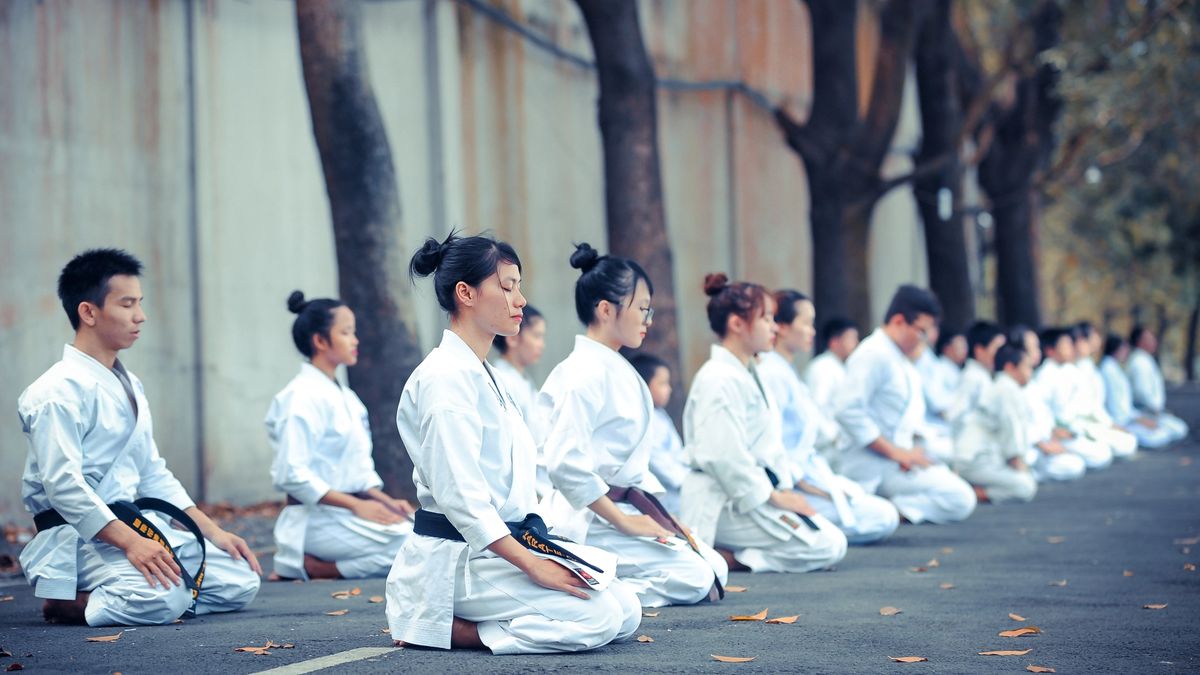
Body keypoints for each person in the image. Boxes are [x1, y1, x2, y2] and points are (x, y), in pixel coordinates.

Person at [386, 233, 641, 654]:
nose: (520, 300)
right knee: (599, 618)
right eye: (507, 287)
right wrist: (532, 565)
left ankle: (483, 616)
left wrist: (542, 551)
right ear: (465, 293)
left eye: (518, 287)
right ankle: (448, 627)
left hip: (503, 548)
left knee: (626, 609)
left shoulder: (483, 373)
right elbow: (463, 500)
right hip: (461, 558)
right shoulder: (445, 380)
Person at [18, 249, 261, 626]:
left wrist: (211, 532)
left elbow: (152, 472)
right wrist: (130, 542)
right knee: (166, 597)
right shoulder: (55, 391)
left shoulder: (129, 383)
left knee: (240, 581)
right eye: (127, 304)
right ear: (88, 312)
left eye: (140, 303)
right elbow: (62, 485)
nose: (140, 316)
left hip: (136, 526)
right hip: (81, 538)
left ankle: (152, 597)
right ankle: (69, 603)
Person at [538, 243, 726, 608]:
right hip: (592, 516)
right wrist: (625, 523)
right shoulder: (581, 374)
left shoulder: (617, 368)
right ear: (606, 310)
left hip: (626, 506)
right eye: (642, 308)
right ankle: (596, 594)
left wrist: (662, 518)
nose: (648, 319)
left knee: (715, 567)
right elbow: (565, 464)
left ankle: (606, 582)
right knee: (697, 577)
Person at [681, 274, 848, 573]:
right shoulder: (718, 379)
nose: (774, 327)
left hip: (750, 493)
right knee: (827, 545)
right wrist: (774, 497)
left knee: (832, 539)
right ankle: (730, 559)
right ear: (736, 324)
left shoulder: (747, 372)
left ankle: (731, 555)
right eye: (766, 318)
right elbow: (723, 457)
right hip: (724, 501)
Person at [265, 291, 413, 581]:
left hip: (345, 515)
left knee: (427, 534)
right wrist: (357, 505)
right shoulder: (300, 398)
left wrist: (383, 501)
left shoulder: (347, 397)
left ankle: (322, 565)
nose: (355, 340)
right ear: (320, 341)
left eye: (353, 332)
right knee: (413, 545)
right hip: (315, 519)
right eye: (346, 332)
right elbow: (291, 474)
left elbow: (354, 470)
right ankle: (319, 568)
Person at [757, 289, 899, 544]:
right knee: (880, 517)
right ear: (783, 327)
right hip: (789, 482)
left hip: (809, 470)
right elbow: (772, 445)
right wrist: (800, 488)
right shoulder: (772, 373)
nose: (812, 331)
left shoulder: (785, 371)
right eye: (807, 323)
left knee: (882, 514)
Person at [834, 285, 977, 524]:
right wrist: (897, 452)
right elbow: (847, 410)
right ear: (899, 321)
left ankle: (885, 510)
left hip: (895, 461)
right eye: (920, 331)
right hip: (872, 465)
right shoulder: (874, 354)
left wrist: (911, 451)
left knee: (956, 488)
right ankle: (883, 510)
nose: (923, 339)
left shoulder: (898, 357)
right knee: (960, 498)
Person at [953, 344, 1038, 504]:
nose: (1030, 373)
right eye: (1027, 367)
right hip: (975, 460)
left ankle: (968, 488)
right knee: (1025, 486)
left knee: (1028, 477)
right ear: (1010, 367)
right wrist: (1017, 463)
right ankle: (972, 493)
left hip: (983, 458)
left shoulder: (1004, 387)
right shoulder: (1006, 389)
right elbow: (1011, 429)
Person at [1034, 327, 1125, 466]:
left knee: (1113, 448)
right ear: (1051, 351)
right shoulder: (1045, 375)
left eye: (1070, 344)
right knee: (1100, 455)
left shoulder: (1069, 369)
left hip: (1076, 427)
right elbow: (1042, 411)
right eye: (1065, 346)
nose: (1071, 349)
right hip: (1059, 431)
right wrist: (1053, 430)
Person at [1008, 326, 1087, 483]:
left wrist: (1053, 433)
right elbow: (1017, 424)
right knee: (1075, 464)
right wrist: (1042, 444)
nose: (1038, 352)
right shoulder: (1013, 384)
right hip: (1030, 448)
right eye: (1034, 347)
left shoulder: (1031, 381)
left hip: (1045, 441)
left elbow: (1043, 416)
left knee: (1077, 462)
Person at [490, 305, 551, 496]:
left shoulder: (522, 379)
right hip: (524, 484)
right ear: (513, 337)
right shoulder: (504, 380)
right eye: (536, 336)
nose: (542, 344)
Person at [628, 353, 689, 514]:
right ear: (643, 385)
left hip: (680, 492)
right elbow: (658, 462)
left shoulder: (660, 415)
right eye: (662, 383)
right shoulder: (641, 420)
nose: (669, 389)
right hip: (665, 498)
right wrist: (688, 482)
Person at [1099, 334, 1175, 448]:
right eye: (1124, 348)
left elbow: (1124, 404)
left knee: (1163, 431)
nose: (1126, 352)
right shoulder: (1108, 370)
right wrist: (1135, 420)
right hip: (1121, 420)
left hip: (1128, 417)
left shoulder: (1114, 368)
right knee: (1159, 435)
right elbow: (1116, 405)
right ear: (1116, 349)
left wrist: (1139, 418)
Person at [1125, 325, 1190, 442]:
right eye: (1149, 339)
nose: (1154, 342)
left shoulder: (1145, 359)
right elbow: (1142, 392)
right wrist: (1156, 409)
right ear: (1139, 341)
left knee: (1178, 429)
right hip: (1144, 411)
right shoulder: (1139, 362)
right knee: (1174, 431)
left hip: (1152, 412)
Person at [805, 317, 859, 413]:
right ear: (834, 342)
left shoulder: (840, 366)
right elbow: (818, 407)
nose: (856, 344)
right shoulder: (823, 367)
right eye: (851, 338)